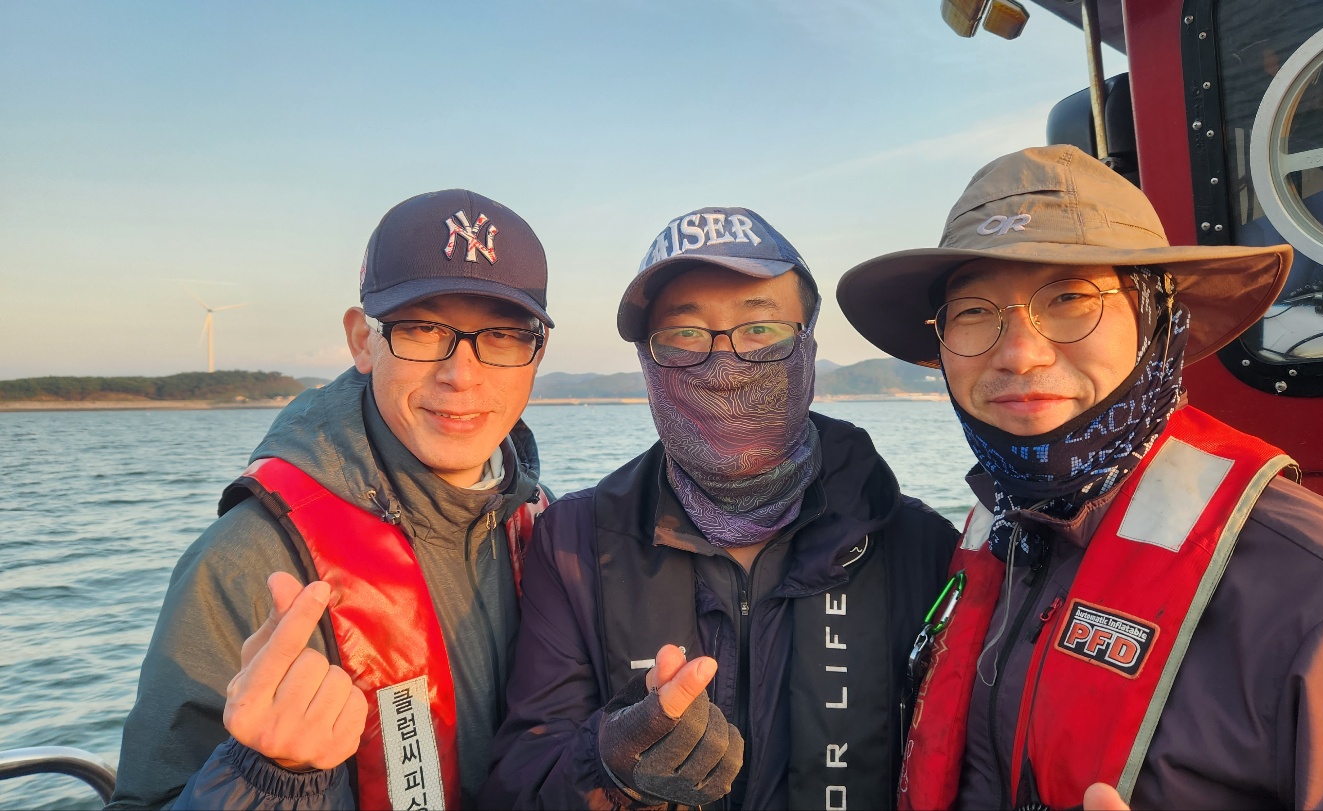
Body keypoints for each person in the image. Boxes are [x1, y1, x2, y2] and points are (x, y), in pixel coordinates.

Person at [835, 144, 1323, 810]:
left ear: (1159, 320)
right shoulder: (1003, 533)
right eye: (974, 311)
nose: (1019, 353)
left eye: (1070, 297)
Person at [479, 207, 960, 810]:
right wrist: (605, 767)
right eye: (684, 335)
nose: (724, 365)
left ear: (807, 342)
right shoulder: (575, 541)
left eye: (760, 329)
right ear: (648, 359)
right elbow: (522, 776)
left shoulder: (919, 545)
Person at [107, 189, 554, 810]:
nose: (461, 374)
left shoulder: (549, 527)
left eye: (503, 336)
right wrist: (268, 777)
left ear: (536, 354)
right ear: (362, 341)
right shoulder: (247, 562)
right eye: (423, 329)